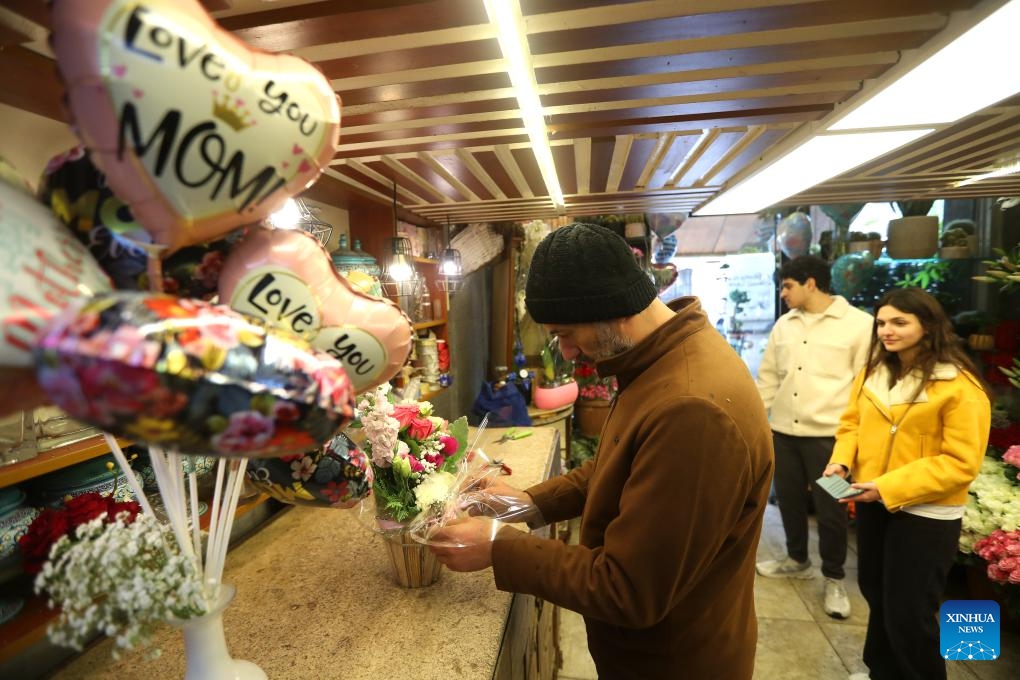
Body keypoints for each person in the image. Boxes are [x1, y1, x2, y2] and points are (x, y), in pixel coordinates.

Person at [429, 223, 774, 680]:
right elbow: (618, 465)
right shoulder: (665, 360)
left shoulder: (691, 410)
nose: (567, 352)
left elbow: (629, 589)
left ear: (611, 310)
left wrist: (498, 546)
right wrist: (526, 504)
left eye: (567, 333)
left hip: (674, 663)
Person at [823, 287, 991, 680]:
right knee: (877, 594)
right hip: (875, 502)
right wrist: (840, 462)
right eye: (881, 322)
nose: (886, 330)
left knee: (910, 610)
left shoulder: (960, 386)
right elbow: (851, 424)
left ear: (929, 325)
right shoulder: (873, 373)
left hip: (927, 512)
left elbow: (960, 463)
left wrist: (886, 485)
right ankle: (882, 671)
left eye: (899, 322)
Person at [754, 255, 873, 619]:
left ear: (810, 283)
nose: (783, 293)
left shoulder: (859, 325)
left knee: (832, 509)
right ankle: (797, 558)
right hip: (785, 434)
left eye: (787, 285)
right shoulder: (784, 326)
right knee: (788, 500)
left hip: (831, 440)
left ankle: (834, 578)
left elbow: (864, 385)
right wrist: (756, 421)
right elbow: (769, 378)